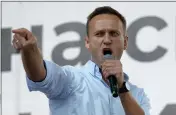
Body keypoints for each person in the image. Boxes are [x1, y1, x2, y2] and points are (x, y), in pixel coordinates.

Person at [12, 6, 150, 115]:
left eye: (114, 34)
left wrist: (122, 88)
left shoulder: (138, 94)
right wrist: (29, 50)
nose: (107, 40)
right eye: (99, 34)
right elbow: (40, 75)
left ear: (125, 42)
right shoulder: (71, 80)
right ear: (87, 42)